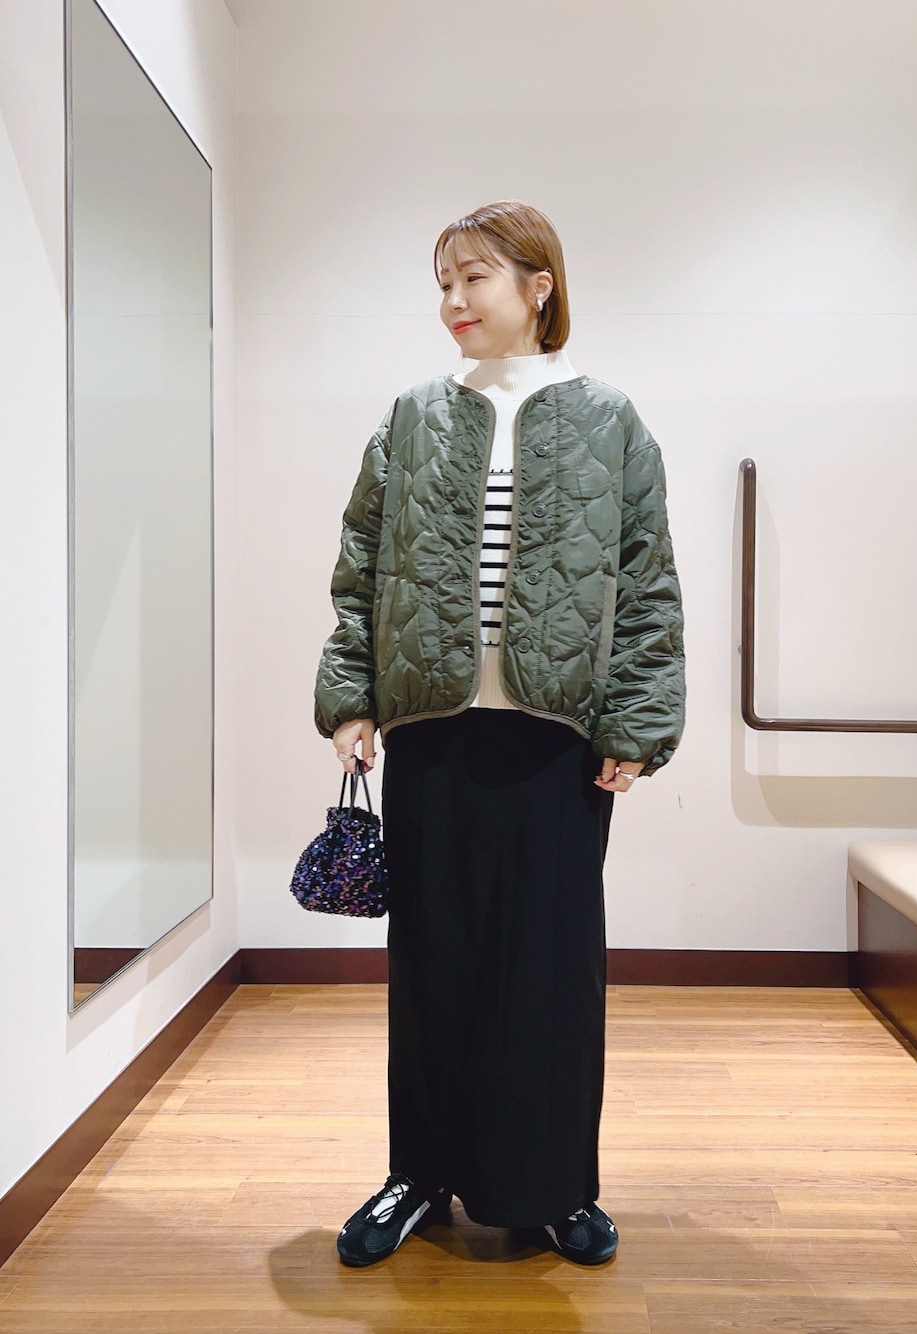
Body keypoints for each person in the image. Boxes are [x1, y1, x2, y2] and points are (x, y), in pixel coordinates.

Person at [314, 200, 684, 1269]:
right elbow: (360, 565)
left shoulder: (609, 417)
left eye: (472, 277)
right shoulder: (413, 414)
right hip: (431, 727)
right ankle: (417, 1175)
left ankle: (555, 1187)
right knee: (432, 963)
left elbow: (648, 584)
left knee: (550, 969)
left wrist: (638, 721)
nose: (453, 301)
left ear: (538, 285)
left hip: (556, 738)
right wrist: (350, 696)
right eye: (443, 282)